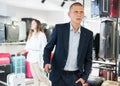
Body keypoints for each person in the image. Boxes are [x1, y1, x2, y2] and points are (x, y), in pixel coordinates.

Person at [43, 2, 93, 86]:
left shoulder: (88, 34)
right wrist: (46, 62)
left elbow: (89, 58)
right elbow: (48, 48)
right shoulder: (59, 29)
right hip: (58, 75)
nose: (79, 15)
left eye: (81, 12)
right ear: (69, 14)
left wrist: (85, 77)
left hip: (76, 77)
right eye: (76, 12)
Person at [18, 19, 51, 86]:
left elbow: (44, 48)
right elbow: (27, 47)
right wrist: (22, 51)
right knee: (35, 77)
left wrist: (43, 59)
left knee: (40, 76)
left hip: (37, 58)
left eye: (33, 23)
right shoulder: (31, 35)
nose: (31, 25)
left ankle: (49, 84)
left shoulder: (42, 35)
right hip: (31, 57)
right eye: (31, 24)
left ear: (37, 25)